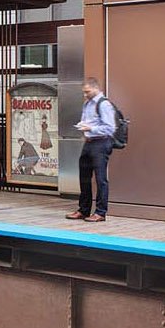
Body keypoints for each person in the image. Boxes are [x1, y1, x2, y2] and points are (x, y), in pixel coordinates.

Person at [68, 76, 116, 223]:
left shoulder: (104, 104)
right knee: (84, 176)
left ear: (96, 88)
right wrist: (84, 127)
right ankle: (83, 209)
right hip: (89, 142)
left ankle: (101, 212)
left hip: (101, 143)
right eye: (84, 92)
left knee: (100, 179)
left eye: (87, 92)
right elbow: (87, 121)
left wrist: (91, 128)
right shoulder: (87, 103)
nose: (85, 95)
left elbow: (110, 128)